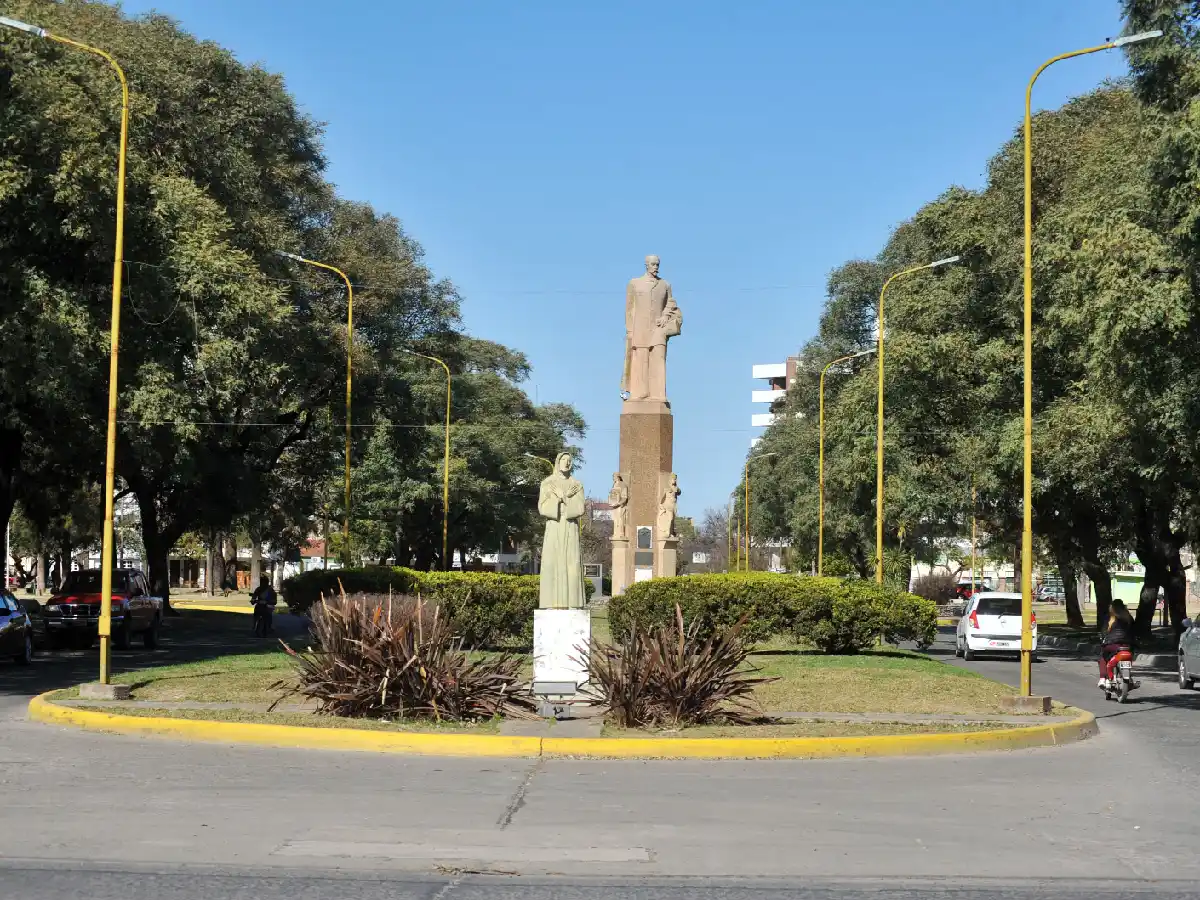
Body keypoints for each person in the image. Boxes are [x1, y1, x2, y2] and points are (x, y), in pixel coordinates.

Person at [1099, 599, 1135, 686]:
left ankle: (1103, 679)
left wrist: (1103, 638)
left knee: (1103, 657)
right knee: (1130, 656)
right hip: (1128, 644)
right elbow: (1134, 630)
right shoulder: (1128, 617)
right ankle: (1129, 676)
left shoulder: (1110, 617)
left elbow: (1104, 631)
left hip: (1112, 643)